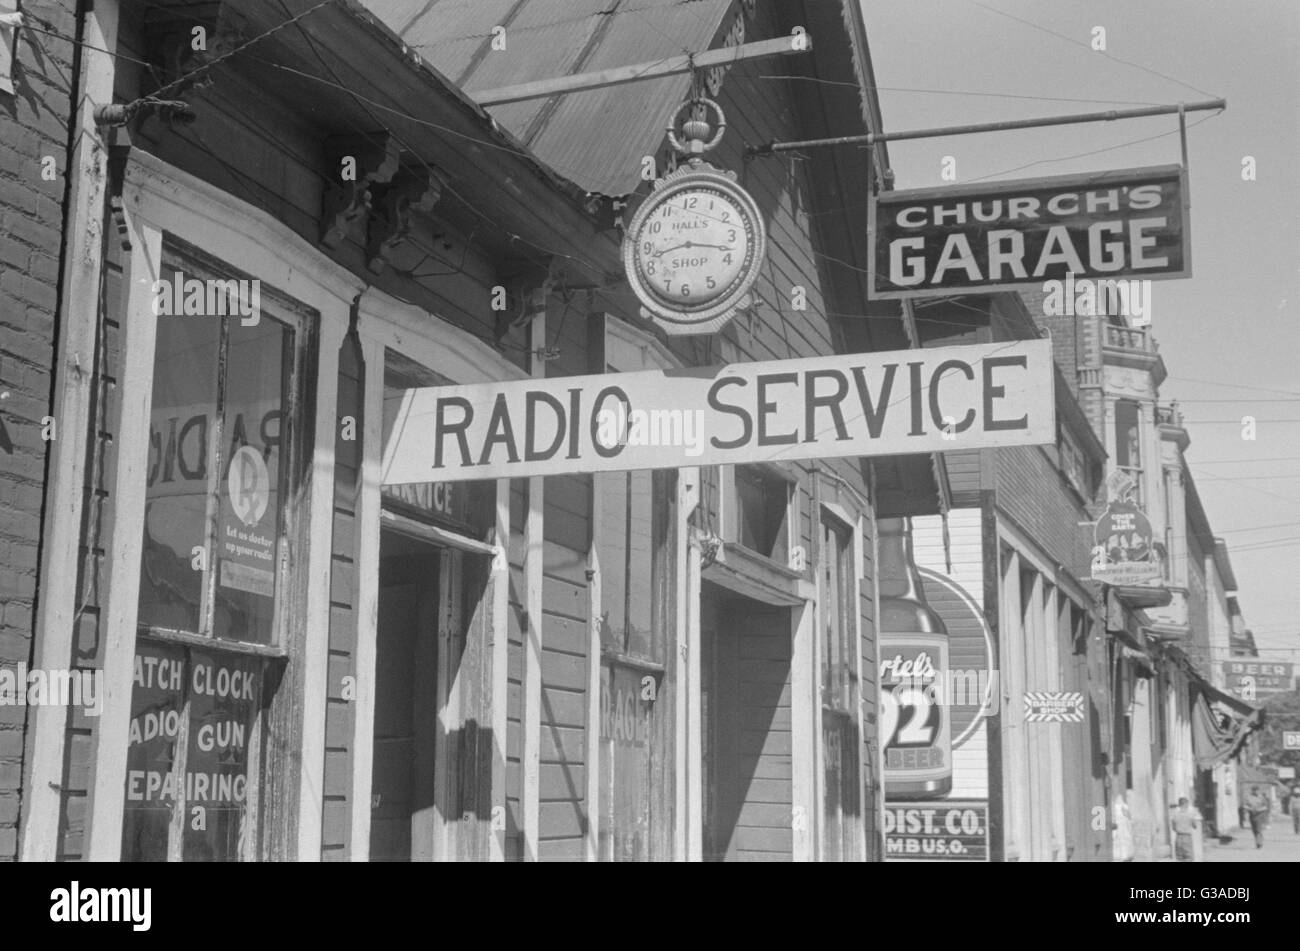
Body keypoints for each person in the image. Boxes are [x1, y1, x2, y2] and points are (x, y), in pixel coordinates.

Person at [1170, 797, 1200, 862]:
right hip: (1187, 837)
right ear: (1185, 804)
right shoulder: (1190, 814)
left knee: (1179, 857)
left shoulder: (1175, 815)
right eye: (1187, 804)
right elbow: (1195, 826)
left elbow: (1173, 828)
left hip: (1178, 838)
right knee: (1189, 857)